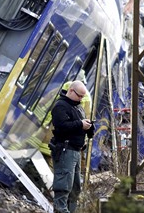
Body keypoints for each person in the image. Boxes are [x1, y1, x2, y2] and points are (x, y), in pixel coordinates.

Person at [49, 80, 94, 213]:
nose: (81, 99)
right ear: (71, 91)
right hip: (65, 149)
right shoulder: (60, 106)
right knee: (63, 184)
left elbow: (77, 125)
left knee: (75, 186)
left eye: (82, 96)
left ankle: (70, 210)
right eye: (79, 95)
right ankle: (60, 209)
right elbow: (62, 126)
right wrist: (80, 124)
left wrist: (89, 127)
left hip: (75, 150)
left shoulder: (78, 108)